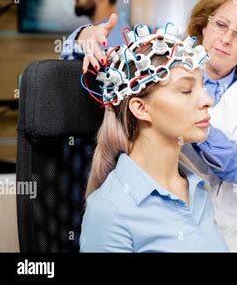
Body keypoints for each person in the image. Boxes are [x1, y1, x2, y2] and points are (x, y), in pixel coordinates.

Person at [67, 0, 237, 251]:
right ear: (204, 25)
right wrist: (83, 37)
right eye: (221, 25)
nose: (226, 39)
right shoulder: (163, 59)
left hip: (222, 231)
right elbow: (104, 62)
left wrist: (191, 117)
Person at [80, 36, 228, 252]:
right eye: (186, 90)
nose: (207, 100)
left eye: (202, 86)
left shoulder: (198, 190)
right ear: (141, 108)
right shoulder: (110, 210)